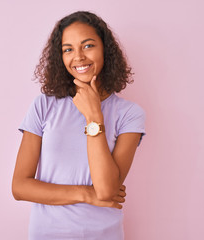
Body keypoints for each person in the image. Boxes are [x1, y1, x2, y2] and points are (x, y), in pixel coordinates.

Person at [12, 11, 146, 240]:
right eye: (68, 49)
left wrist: (94, 115)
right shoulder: (44, 105)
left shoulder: (130, 114)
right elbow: (20, 187)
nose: (78, 57)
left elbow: (105, 191)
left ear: (105, 49)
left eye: (88, 46)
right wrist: (86, 194)